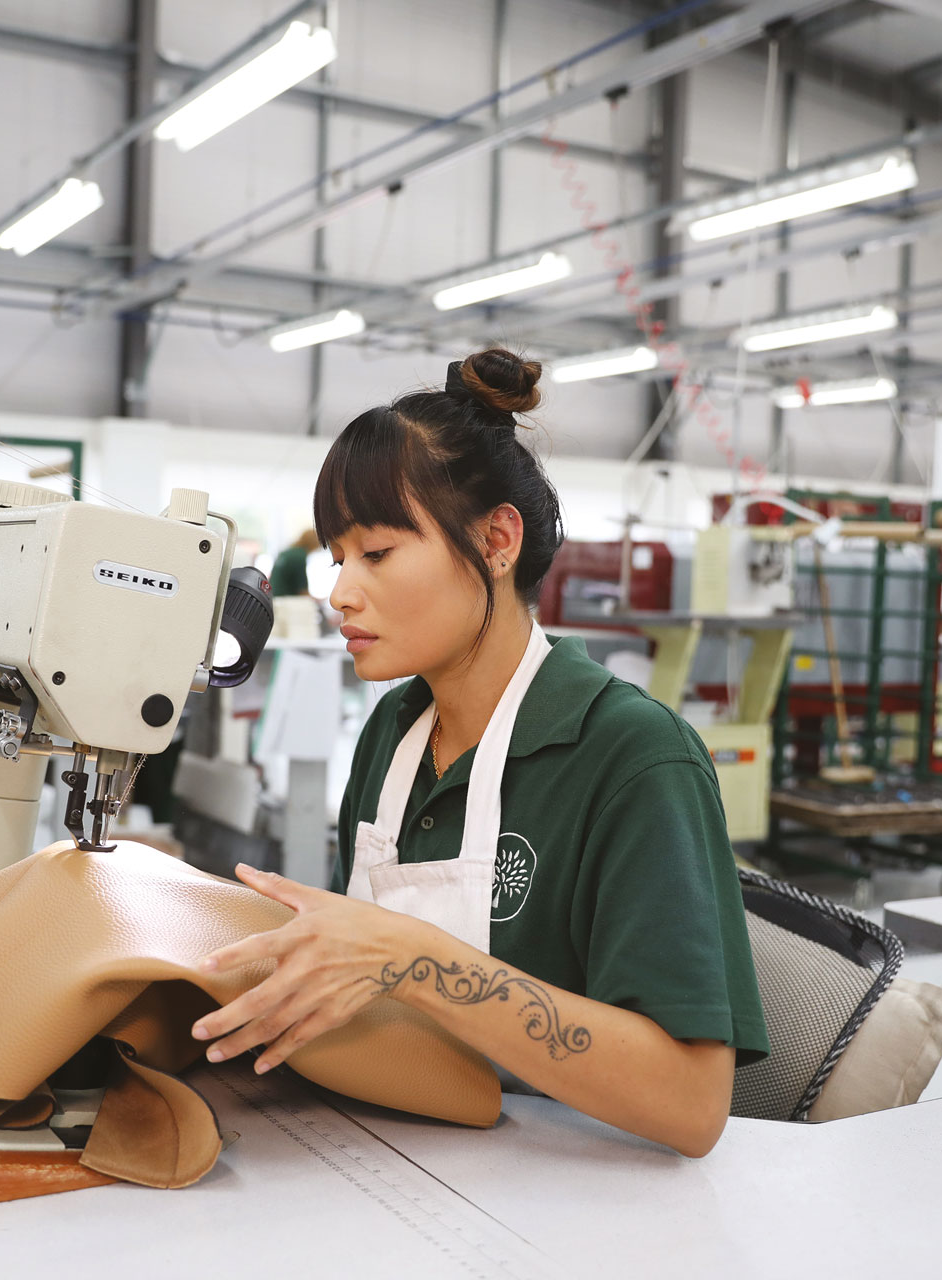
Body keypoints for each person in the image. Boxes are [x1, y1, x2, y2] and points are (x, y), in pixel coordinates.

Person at [190, 348, 767, 1157]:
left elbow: (690, 1102)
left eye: (378, 553)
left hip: (573, 1199)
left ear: (497, 540)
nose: (342, 593)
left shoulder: (634, 759)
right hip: (399, 1157)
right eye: (337, 559)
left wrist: (414, 958)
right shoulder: (393, 735)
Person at [268, 528, 318, 598]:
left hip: (271, 596)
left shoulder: (286, 552)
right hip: (285, 599)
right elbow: (302, 590)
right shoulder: (300, 556)